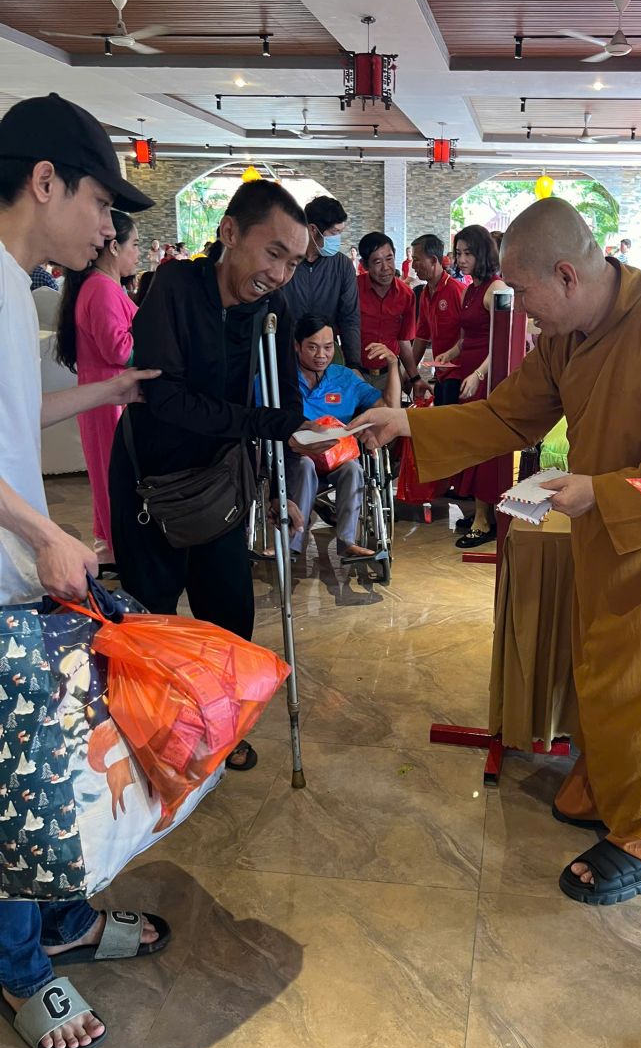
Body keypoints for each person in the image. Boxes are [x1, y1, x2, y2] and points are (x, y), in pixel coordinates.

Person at [354, 198, 641, 904]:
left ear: (566, 275)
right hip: (605, 543)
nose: (519, 310)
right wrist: (407, 422)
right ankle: (613, 788)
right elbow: (507, 415)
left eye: (522, 291)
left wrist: (603, 492)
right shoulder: (568, 338)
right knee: (602, 674)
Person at [0, 91, 167, 1048]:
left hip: (21, 574)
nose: (109, 228)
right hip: (8, 576)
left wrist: (111, 388)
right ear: (44, 182)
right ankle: (20, 968)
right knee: (13, 782)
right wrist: (45, 531)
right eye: (101, 203)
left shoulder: (15, 285)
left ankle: (60, 920)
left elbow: (13, 424)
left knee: (48, 766)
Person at [108, 179, 311, 774]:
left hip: (221, 480)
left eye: (293, 263)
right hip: (151, 479)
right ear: (229, 233)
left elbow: (285, 405)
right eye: (274, 253)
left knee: (228, 611)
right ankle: (156, 735)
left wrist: (280, 477)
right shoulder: (174, 286)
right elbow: (165, 396)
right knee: (152, 615)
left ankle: (220, 727)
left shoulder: (272, 310)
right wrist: (258, 424)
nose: (280, 274)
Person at [55, 209, 141, 569]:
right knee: (114, 476)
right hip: (109, 398)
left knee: (107, 473)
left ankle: (112, 548)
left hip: (105, 395)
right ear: (114, 247)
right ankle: (122, 550)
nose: (138, 253)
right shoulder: (102, 287)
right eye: (135, 244)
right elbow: (119, 350)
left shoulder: (100, 285)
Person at [287, 314, 400, 558]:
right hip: (296, 459)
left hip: (337, 459)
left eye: (328, 348)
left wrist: (393, 364)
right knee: (305, 465)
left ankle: (347, 542)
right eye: (313, 347)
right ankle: (291, 544)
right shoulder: (281, 379)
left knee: (353, 469)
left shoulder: (345, 378)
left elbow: (390, 409)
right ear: (297, 346)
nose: (321, 355)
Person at [432, 225, 509, 549]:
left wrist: (478, 374)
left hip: (488, 376)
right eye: (458, 253)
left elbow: (503, 341)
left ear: (483, 254)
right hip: (469, 371)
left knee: (483, 446)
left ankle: (483, 519)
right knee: (471, 443)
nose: (461, 259)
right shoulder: (469, 290)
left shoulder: (497, 289)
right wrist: (449, 354)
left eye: (468, 253)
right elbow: (466, 338)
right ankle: (481, 513)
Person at [281, 195, 361, 368]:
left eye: (340, 232)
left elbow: (349, 319)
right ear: (312, 229)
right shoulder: (284, 262)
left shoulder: (343, 266)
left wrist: (354, 364)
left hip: (326, 357)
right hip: (285, 354)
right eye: (334, 233)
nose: (338, 239)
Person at [356, 231, 423, 392]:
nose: (386, 268)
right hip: (355, 375)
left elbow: (403, 341)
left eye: (389, 258)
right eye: (377, 262)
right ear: (365, 265)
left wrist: (415, 378)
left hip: (389, 375)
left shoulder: (406, 295)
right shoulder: (352, 289)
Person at [409, 234, 463, 406]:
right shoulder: (425, 293)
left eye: (416, 260)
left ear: (433, 260)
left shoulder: (457, 291)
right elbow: (421, 336)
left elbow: (471, 335)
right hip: (440, 373)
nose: (413, 265)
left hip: (459, 375)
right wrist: (410, 373)